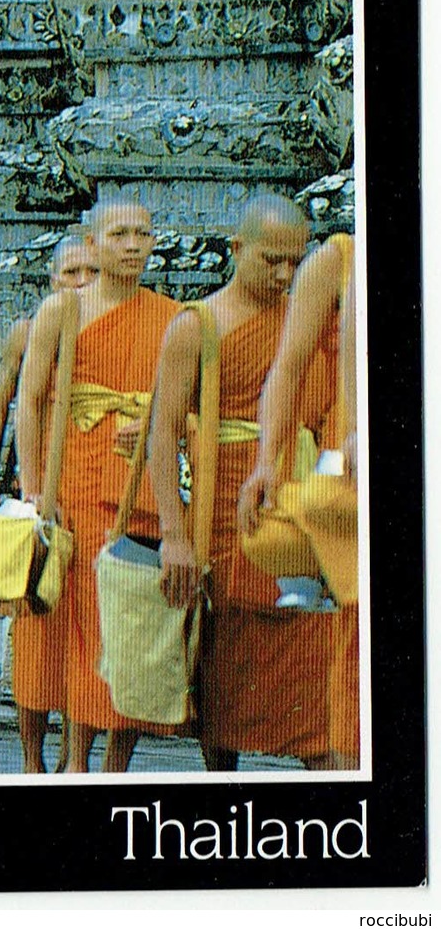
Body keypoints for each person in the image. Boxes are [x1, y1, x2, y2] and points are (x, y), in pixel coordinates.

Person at [149, 194, 333, 771]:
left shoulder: (313, 319)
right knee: (226, 670)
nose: (283, 275)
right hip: (227, 512)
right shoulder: (196, 326)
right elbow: (161, 436)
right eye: (270, 260)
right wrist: (175, 536)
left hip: (304, 504)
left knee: (308, 675)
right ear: (237, 249)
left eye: (293, 263)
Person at [16, 197, 181, 773]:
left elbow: (186, 405)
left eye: (143, 232)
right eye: (119, 234)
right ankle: (73, 763)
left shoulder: (173, 316)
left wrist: (163, 424)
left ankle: (114, 765)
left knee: (129, 625)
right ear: (93, 242)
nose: (133, 244)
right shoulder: (62, 310)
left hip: (142, 486)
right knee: (81, 622)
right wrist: (36, 485)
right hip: (79, 482)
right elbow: (30, 401)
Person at [0, 234, 95, 773]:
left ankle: (75, 760)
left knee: (88, 633)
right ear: (53, 281)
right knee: (34, 631)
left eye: (91, 273)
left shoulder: (119, 327)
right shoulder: (28, 334)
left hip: (97, 485)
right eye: (72, 273)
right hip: (37, 489)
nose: (82, 284)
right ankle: (33, 761)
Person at [238, 227, 358, 768]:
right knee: (356, 647)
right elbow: (288, 366)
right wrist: (267, 461)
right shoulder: (339, 259)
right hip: (353, 472)